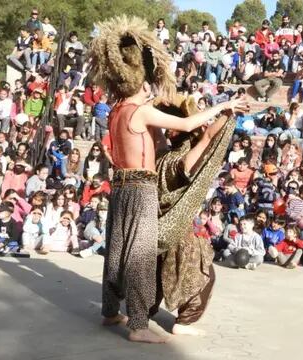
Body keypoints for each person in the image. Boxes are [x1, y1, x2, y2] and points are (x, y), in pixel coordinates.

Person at [90, 16, 248, 344]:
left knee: (116, 251)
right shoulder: (139, 111)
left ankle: (109, 312)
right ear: (140, 81)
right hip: (139, 188)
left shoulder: (116, 112)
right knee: (139, 257)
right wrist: (225, 104)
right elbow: (191, 125)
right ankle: (137, 325)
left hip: (119, 186)